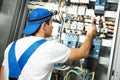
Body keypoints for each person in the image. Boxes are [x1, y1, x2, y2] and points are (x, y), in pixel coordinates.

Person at [1, 8, 96, 80]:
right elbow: (83, 52)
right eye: (51, 23)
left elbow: (2, 73)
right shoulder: (49, 47)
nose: (53, 27)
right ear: (44, 26)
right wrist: (89, 35)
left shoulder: (11, 46)